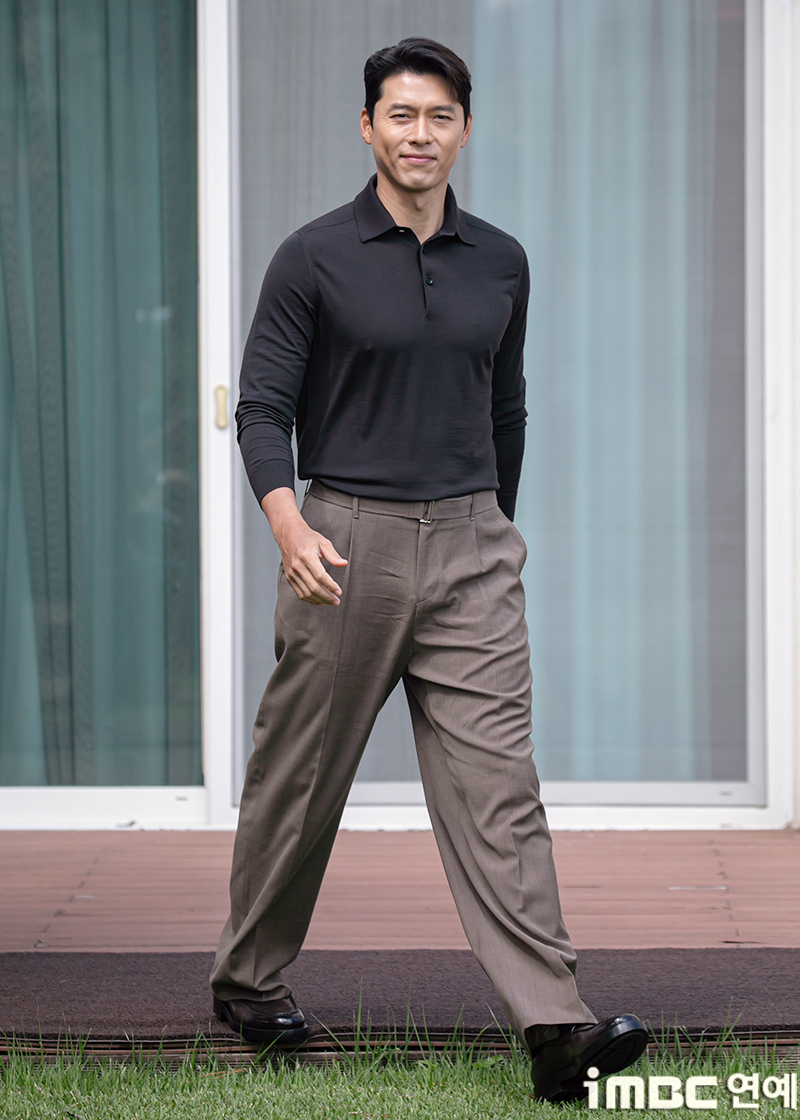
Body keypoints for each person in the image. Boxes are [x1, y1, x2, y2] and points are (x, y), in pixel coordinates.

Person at [210, 37, 648, 1102]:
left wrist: (494, 525)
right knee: (300, 778)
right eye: (400, 115)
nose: (420, 134)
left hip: (470, 550)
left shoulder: (501, 260)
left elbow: (507, 407)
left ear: (464, 129)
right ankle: (249, 980)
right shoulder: (312, 257)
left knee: (501, 791)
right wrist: (287, 525)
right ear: (367, 127)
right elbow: (262, 408)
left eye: (439, 116)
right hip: (340, 545)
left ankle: (555, 1027)